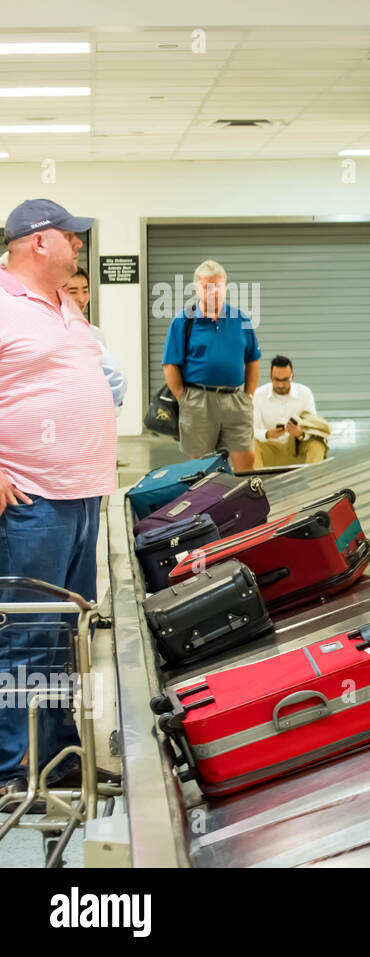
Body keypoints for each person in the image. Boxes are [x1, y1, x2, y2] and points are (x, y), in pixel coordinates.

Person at [0, 199, 117, 797]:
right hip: (32, 499)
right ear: (37, 242)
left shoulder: (65, 304)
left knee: (67, 634)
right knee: (26, 632)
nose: (79, 245)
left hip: (82, 494)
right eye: (70, 237)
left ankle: (60, 753)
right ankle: (12, 769)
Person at [161, 260, 260, 472]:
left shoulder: (240, 319)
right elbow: (170, 365)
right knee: (200, 469)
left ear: (226, 287)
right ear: (197, 288)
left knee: (246, 464)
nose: (214, 291)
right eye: (208, 287)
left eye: (219, 286)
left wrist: (248, 396)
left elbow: (252, 359)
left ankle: (242, 506)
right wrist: (184, 399)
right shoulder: (183, 321)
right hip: (198, 401)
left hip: (236, 402)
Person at [64, 266, 127, 410]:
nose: (81, 299)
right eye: (73, 292)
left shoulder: (96, 334)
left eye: (85, 291)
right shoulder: (49, 332)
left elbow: (110, 377)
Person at [253, 356, 329, 467]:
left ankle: (315, 482)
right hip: (269, 449)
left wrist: (300, 434)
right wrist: (267, 434)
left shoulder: (304, 393)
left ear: (292, 376)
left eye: (284, 380)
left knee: (317, 445)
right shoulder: (259, 394)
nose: (280, 385)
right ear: (270, 376)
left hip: (296, 450)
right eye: (276, 380)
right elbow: (250, 431)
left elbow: (313, 428)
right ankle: (256, 483)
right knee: (250, 445)